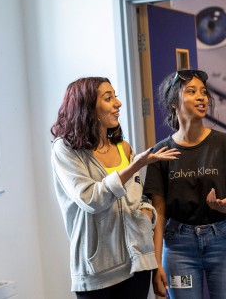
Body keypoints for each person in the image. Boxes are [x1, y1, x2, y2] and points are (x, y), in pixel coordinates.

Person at [50, 77, 180, 299]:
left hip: (138, 263)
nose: (118, 103)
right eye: (108, 98)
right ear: (86, 107)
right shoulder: (65, 150)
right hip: (97, 270)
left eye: (115, 96)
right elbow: (90, 199)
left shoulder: (123, 147)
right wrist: (136, 165)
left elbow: (137, 197)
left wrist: (148, 214)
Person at [144, 69, 226, 299]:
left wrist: (224, 207)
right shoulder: (160, 152)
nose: (201, 97)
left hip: (223, 241)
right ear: (174, 102)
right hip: (179, 247)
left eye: (203, 92)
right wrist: (156, 264)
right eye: (191, 91)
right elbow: (158, 213)